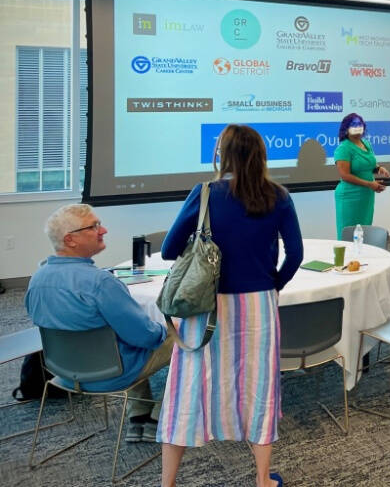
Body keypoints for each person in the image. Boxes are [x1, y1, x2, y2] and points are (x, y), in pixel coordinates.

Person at [158, 124, 303, 487]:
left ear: (222, 155)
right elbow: (295, 254)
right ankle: (261, 479)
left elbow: (169, 249)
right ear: (261, 156)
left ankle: (168, 483)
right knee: (259, 386)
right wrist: (274, 285)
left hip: (207, 307)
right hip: (259, 307)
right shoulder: (279, 196)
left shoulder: (205, 193)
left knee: (187, 387)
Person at [26, 204, 173, 444]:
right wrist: (166, 330)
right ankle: (160, 416)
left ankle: (138, 413)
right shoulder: (101, 283)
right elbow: (145, 336)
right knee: (186, 337)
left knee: (123, 332)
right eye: (94, 226)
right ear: (70, 240)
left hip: (62, 371)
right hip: (110, 373)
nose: (103, 230)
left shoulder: (37, 279)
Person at [333, 112, 390, 237]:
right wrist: (370, 184)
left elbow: (367, 165)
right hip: (349, 196)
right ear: (346, 129)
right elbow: (345, 175)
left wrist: (379, 168)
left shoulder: (366, 144)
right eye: (354, 124)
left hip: (366, 196)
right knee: (348, 234)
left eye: (360, 124)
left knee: (364, 233)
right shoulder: (344, 148)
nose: (358, 127)